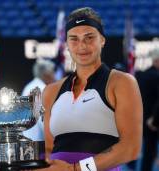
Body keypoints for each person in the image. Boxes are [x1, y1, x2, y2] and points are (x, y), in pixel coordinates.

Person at [39, 7, 142, 171]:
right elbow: (50, 150)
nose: (82, 45)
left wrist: (75, 169)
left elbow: (130, 149)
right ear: (66, 44)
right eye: (74, 39)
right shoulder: (51, 91)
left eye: (89, 37)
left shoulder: (122, 83)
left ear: (102, 40)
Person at [136, 48, 159, 171]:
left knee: (148, 152)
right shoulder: (155, 76)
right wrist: (154, 119)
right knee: (149, 152)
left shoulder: (142, 75)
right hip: (153, 120)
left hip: (143, 118)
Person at [22, 58, 55, 141]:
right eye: (53, 72)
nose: (54, 76)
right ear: (46, 74)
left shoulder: (28, 87)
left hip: (26, 138)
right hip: (39, 142)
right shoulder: (43, 89)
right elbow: (43, 120)